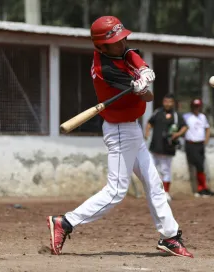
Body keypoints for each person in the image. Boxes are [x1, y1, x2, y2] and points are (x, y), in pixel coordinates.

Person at [46, 16, 193, 258]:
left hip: (131, 129)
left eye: (122, 37)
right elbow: (148, 98)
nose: (122, 43)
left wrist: (143, 70)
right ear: (101, 46)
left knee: (153, 183)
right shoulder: (106, 70)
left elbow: (130, 55)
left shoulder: (118, 53)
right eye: (115, 41)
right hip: (119, 130)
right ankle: (66, 222)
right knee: (115, 191)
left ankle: (169, 235)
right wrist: (141, 88)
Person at [145, 94, 188, 202]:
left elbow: (185, 126)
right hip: (155, 147)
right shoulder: (157, 112)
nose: (167, 104)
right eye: (165, 101)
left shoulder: (177, 115)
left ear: (173, 103)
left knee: (165, 170)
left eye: (170, 102)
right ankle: (153, 192)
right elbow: (149, 123)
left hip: (168, 147)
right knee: (151, 170)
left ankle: (166, 192)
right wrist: (146, 132)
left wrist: (178, 134)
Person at [182, 98, 214, 197]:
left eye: (198, 107)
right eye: (194, 106)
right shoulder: (186, 116)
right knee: (197, 164)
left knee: (200, 166)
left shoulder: (202, 117)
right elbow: (182, 128)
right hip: (191, 143)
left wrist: (206, 139)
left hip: (200, 144)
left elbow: (207, 128)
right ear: (191, 107)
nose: (196, 108)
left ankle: (202, 188)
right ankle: (201, 188)